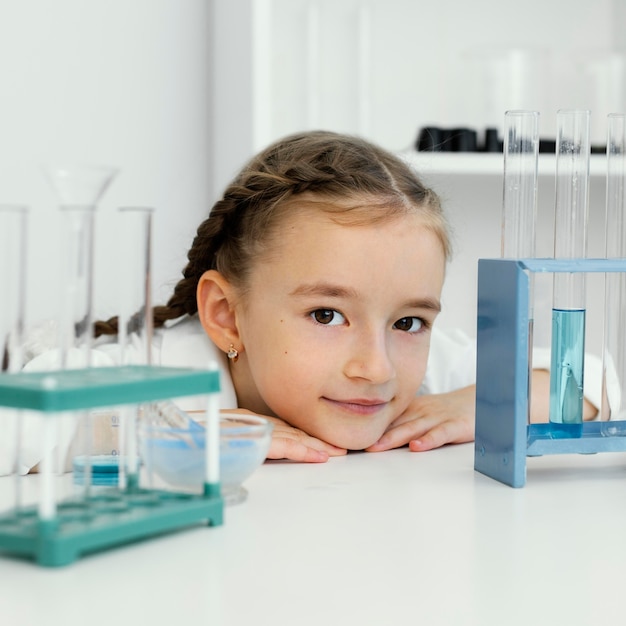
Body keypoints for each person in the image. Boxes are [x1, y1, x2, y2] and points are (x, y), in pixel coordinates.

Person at [18, 130, 599, 471]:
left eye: (409, 320)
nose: (376, 368)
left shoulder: (418, 378)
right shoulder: (162, 373)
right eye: (326, 314)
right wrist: (151, 430)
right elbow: (17, 425)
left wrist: (495, 399)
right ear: (226, 315)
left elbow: (593, 383)